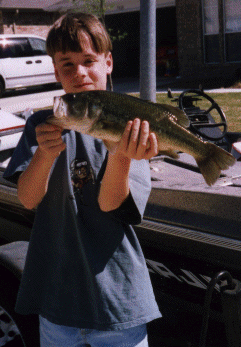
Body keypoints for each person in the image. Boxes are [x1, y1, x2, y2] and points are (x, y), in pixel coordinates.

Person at [4, 13, 161, 347]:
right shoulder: (41, 123)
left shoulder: (132, 125)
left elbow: (110, 204)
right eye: (67, 64)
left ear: (108, 63)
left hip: (117, 305)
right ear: (56, 69)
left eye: (89, 61)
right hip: (57, 305)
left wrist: (120, 154)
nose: (80, 73)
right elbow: (29, 199)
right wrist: (44, 155)